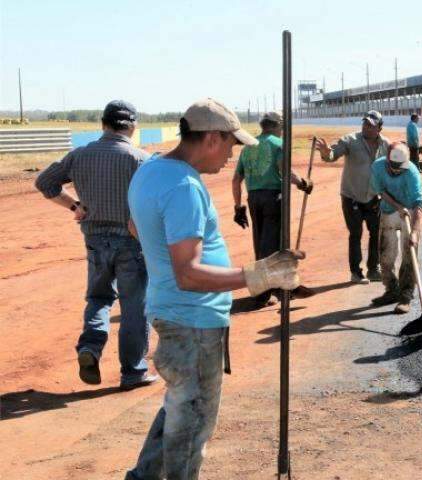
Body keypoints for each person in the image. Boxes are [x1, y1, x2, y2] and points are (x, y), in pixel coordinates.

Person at [126, 98, 302, 479]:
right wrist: (261, 275)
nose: (230, 156)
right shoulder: (183, 187)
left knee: (178, 409)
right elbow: (188, 274)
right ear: (210, 138)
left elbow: (135, 227)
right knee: (192, 423)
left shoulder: (151, 170)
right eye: (230, 145)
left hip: (173, 312)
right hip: (192, 322)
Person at [35, 100, 156, 390]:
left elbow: (45, 182)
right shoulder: (141, 159)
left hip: (94, 240)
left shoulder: (80, 155)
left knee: (99, 298)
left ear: (102, 124)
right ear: (133, 127)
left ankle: (90, 348)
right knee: (134, 308)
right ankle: (133, 371)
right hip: (131, 243)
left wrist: (75, 205)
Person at [232, 111, 313, 308]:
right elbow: (286, 172)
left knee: (260, 243)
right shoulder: (278, 144)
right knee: (274, 247)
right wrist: (303, 183)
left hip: (254, 199)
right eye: (282, 127)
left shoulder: (249, 146)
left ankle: (268, 290)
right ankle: (269, 291)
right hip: (273, 198)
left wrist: (238, 207)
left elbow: (236, 179)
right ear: (277, 126)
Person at [316, 110, 389, 284]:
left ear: (379, 128)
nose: (366, 127)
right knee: (356, 233)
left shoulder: (385, 144)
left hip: (373, 197)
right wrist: (326, 152)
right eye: (365, 123)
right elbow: (332, 155)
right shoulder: (350, 140)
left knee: (376, 233)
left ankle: (374, 269)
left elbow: (390, 166)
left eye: (371, 125)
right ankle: (356, 273)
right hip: (352, 197)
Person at [369, 142, 422, 314]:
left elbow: (418, 204)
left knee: (409, 254)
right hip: (389, 210)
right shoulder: (377, 167)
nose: (397, 171)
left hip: (411, 212)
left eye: (400, 168)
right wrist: (398, 206)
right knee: (385, 254)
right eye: (394, 168)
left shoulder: (412, 172)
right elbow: (381, 191)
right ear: (387, 161)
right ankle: (391, 290)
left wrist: (414, 232)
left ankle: (406, 296)